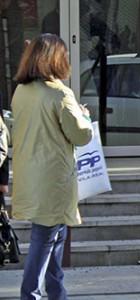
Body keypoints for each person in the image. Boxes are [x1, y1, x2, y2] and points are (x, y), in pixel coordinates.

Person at [10, 34, 93, 300]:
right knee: (46, 240)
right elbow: (81, 135)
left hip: (30, 175)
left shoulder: (21, 91)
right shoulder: (59, 93)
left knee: (54, 238)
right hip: (53, 178)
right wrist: (85, 116)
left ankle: (57, 293)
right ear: (55, 59)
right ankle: (31, 294)